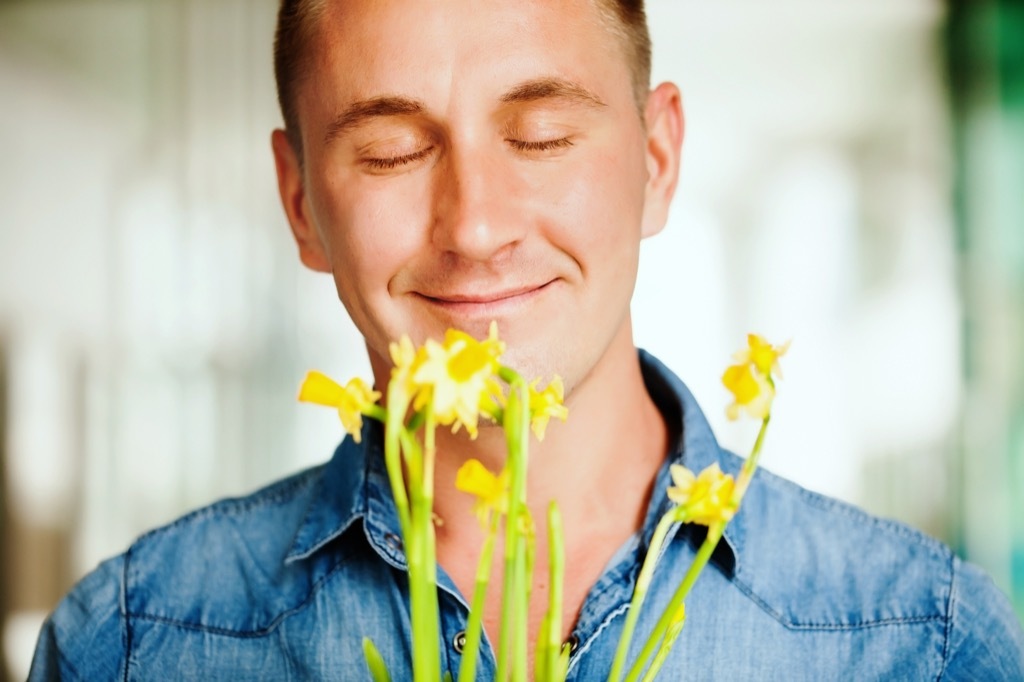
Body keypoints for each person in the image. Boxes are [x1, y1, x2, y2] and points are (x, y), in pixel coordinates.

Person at [29, 0, 1024, 679]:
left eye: (542, 136)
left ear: (657, 155)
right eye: (388, 151)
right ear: (299, 202)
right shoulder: (132, 642)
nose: (473, 226)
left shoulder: (918, 640)